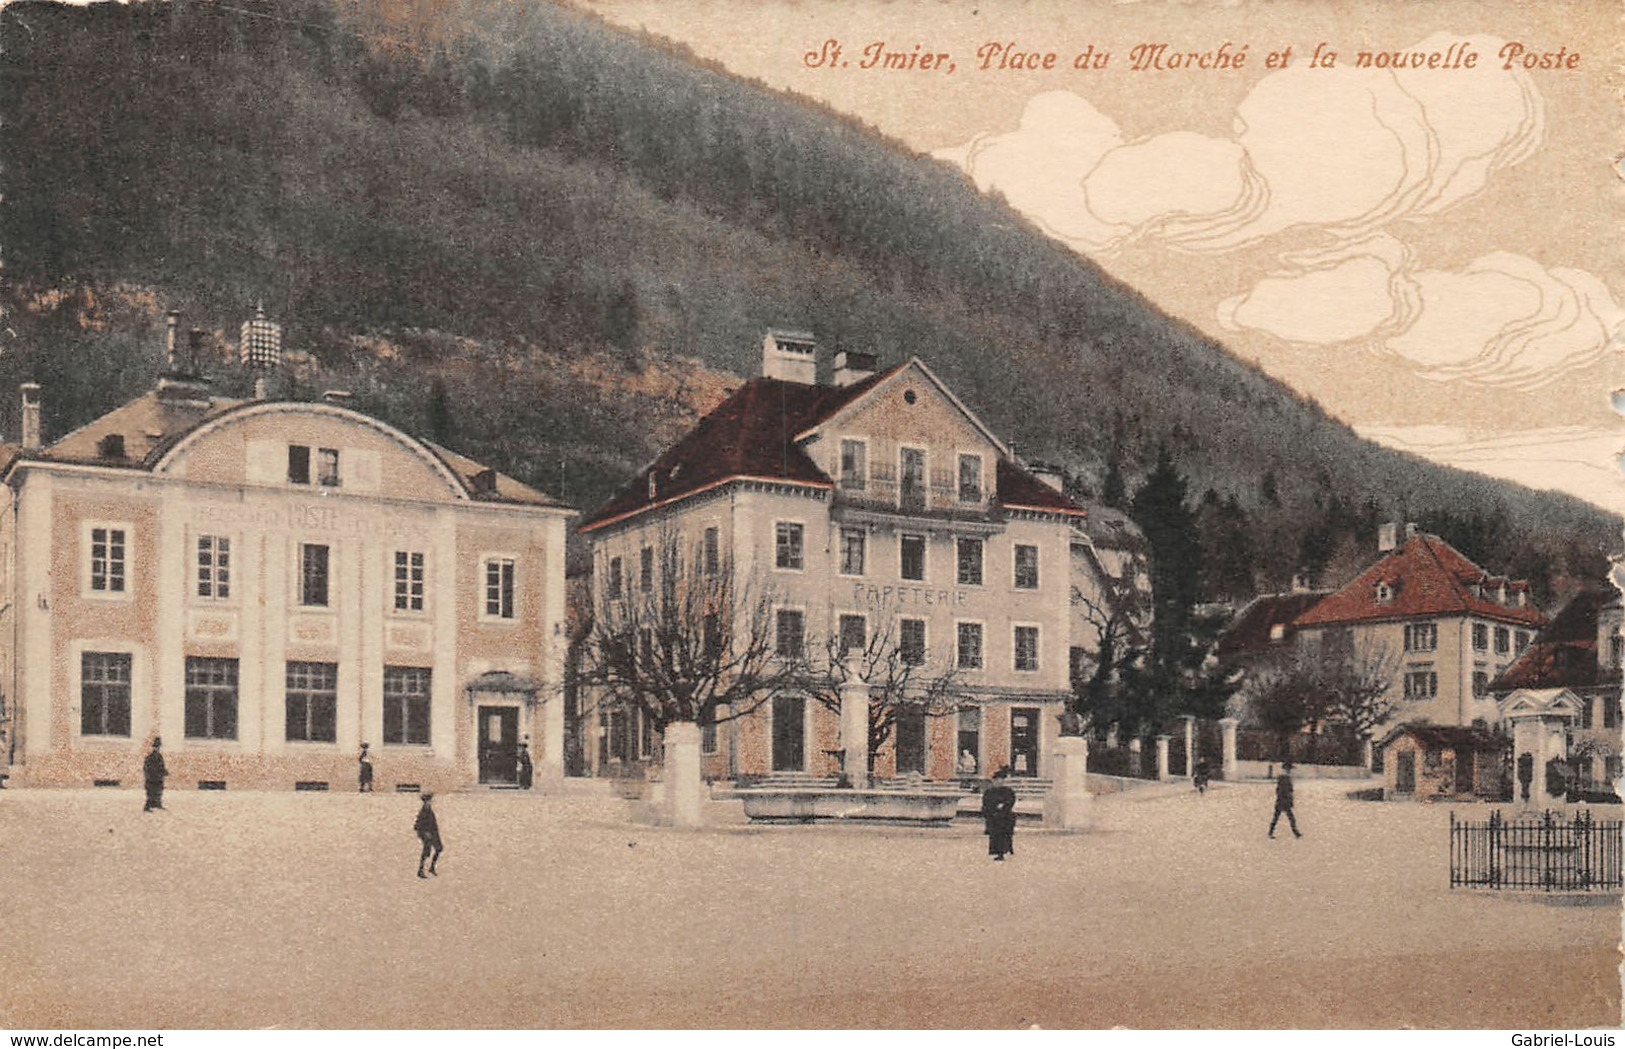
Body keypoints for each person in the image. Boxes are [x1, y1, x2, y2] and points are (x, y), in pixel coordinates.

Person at [981, 768, 1018, 861]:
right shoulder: (989, 792)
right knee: (995, 836)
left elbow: (1011, 801)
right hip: (993, 817)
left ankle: (1005, 851)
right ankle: (998, 852)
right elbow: (985, 804)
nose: (999, 782)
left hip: (1005, 817)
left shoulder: (1008, 791)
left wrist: (1003, 807)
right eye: (997, 780)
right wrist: (990, 811)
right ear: (994, 781)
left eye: (1001, 780)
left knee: (1005, 834)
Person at [1269, 762, 1302, 839]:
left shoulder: (1284, 777)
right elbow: (1283, 791)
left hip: (1282, 801)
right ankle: (1296, 833)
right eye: (1290, 769)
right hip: (1283, 801)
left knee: (1277, 817)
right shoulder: (1285, 778)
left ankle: (1270, 832)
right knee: (1289, 818)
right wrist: (1286, 799)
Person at [415, 792, 444, 878]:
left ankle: (432, 867)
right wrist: (425, 833)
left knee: (439, 848)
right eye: (428, 801)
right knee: (426, 852)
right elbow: (417, 826)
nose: (430, 802)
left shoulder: (429, 810)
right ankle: (420, 870)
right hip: (427, 834)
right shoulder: (423, 811)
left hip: (433, 833)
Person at [142, 737, 167, 812]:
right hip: (152, 778)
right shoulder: (150, 757)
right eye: (156, 747)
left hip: (158, 778)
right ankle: (147, 807)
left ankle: (157, 804)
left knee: (158, 791)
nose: (157, 749)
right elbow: (147, 768)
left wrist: (164, 772)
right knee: (151, 792)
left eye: (158, 747)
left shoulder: (159, 756)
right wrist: (148, 776)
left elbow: (161, 766)